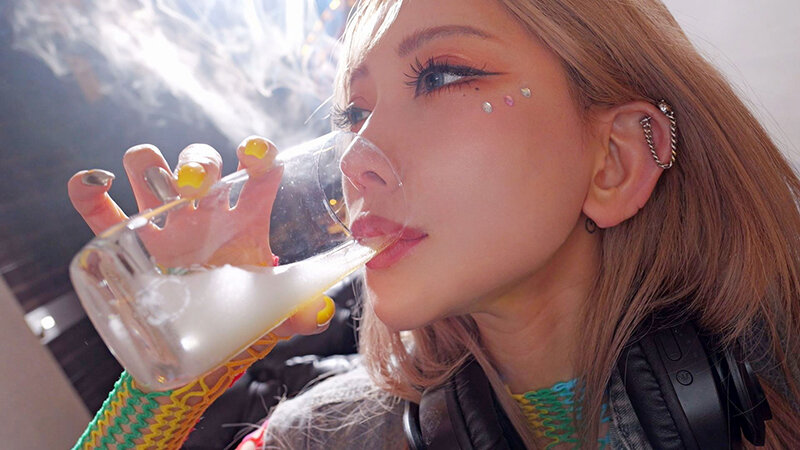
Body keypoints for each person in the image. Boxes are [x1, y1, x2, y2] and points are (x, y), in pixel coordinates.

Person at [68, 0, 800, 448]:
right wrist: (158, 402)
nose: (356, 160)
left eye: (442, 75)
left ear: (613, 159)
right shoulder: (318, 442)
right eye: (355, 114)